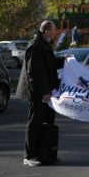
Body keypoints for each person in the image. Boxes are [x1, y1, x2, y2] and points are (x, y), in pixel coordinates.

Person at [19, 20, 62, 167]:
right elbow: (35, 73)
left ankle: (46, 153)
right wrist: (43, 92)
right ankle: (29, 155)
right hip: (38, 94)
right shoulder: (35, 46)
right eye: (54, 30)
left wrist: (64, 60)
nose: (56, 32)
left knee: (48, 122)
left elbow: (49, 64)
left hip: (49, 93)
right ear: (47, 32)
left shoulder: (44, 45)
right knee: (35, 123)